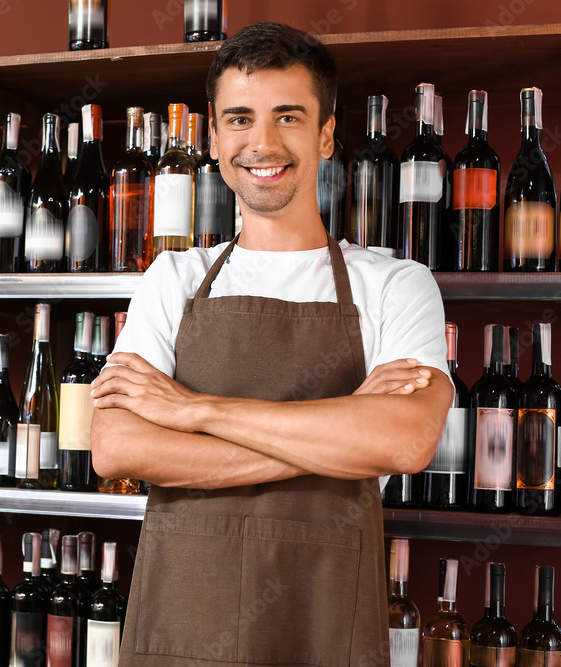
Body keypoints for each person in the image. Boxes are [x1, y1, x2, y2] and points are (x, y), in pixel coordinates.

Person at [90, 22, 453, 664]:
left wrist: (194, 411)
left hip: (322, 617)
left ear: (326, 134)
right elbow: (118, 446)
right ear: (213, 136)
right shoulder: (173, 277)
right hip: (185, 618)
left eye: (288, 116)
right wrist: (340, 434)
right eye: (239, 119)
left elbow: (403, 441)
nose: (261, 143)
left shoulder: (396, 284)